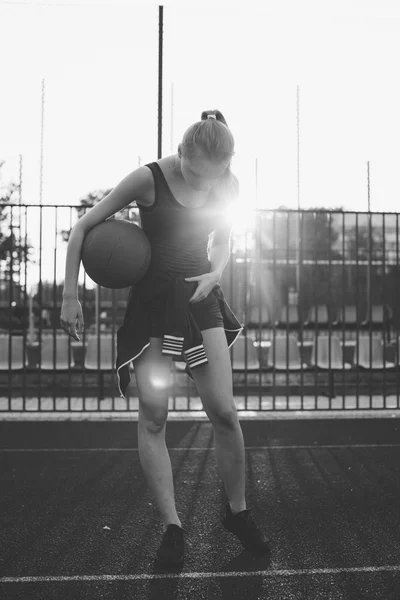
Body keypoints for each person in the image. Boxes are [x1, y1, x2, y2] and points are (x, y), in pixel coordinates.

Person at [60, 109, 270, 567]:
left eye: (211, 179)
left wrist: (216, 272)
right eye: (194, 174)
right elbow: (82, 228)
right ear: (181, 154)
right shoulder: (147, 178)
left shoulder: (227, 184)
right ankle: (173, 527)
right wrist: (70, 295)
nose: (201, 185)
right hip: (154, 306)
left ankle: (238, 513)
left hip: (200, 302)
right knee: (155, 418)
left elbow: (223, 240)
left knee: (225, 414)